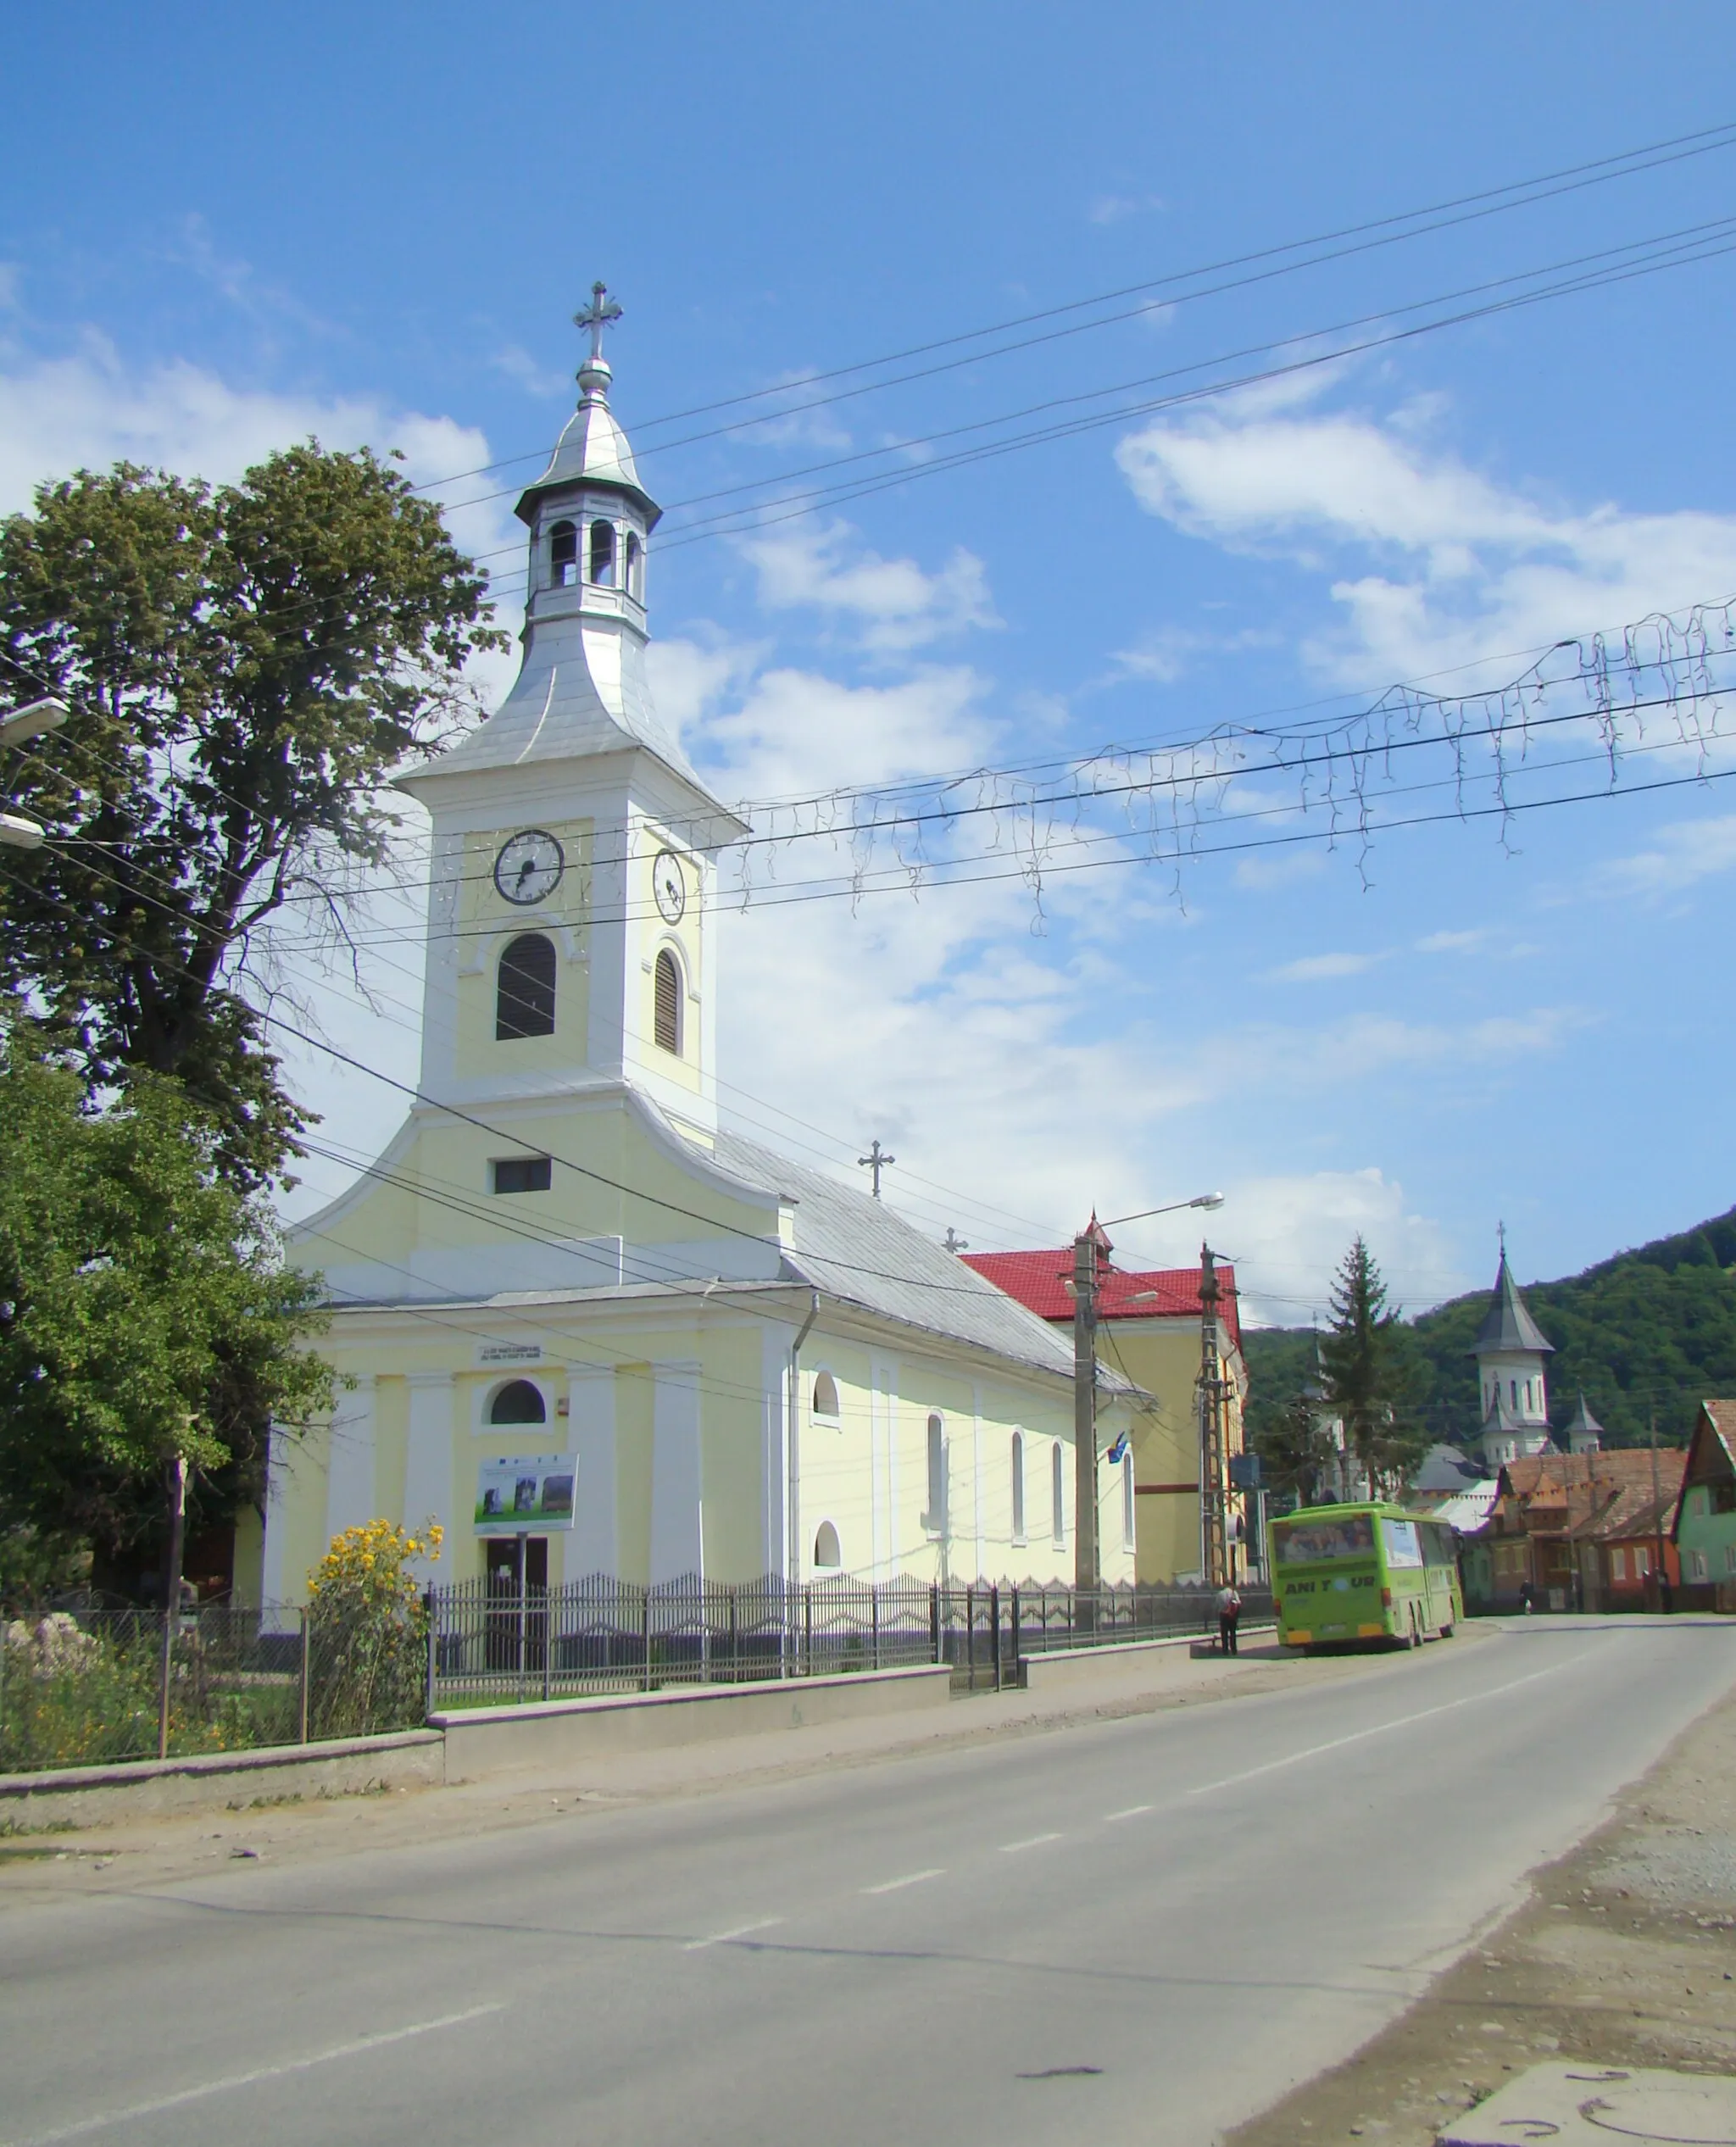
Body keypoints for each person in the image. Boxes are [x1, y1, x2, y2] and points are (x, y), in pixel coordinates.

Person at [1216, 1582, 1243, 1655]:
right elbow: (1238, 1603)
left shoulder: (1220, 1593)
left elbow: (1217, 1604)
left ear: (1225, 1585)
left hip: (1223, 1615)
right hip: (1232, 1615)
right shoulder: (1234, 1593)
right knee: (1232, 1633)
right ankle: (1234, 1650)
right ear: (1231, 1585)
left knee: (1224, 1634)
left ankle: (1225, 1651)